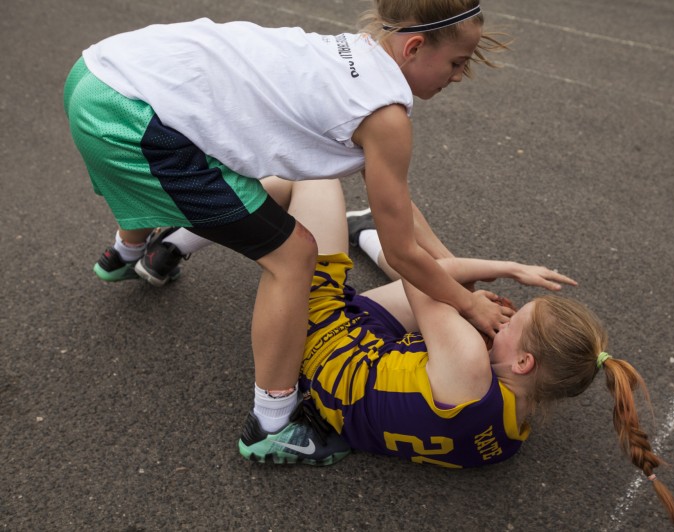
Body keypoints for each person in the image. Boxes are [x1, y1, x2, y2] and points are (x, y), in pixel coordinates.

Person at [63, 1, 513, 464]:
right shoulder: (386, 116)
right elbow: (400, 252)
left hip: (100, 74)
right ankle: (272, 425)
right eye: (457, 63)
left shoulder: (360, 54)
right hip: (127, 117)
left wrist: (448, 265)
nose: (459, 76)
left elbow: (396, 206)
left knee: (209, 168)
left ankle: (125, 254)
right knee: (294, 256)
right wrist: (467, 304)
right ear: (414, 47)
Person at [243, 176, 674, 522]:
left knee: (314, 177)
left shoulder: (469, 361)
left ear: (523, 362)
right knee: (452, 297)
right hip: (362, 381)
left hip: (321, 346)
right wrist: (469, 312)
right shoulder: (511, 434)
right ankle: (365, 233)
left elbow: (418, 269)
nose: (504, 318)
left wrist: (505, 269)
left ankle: (203, 219)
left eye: (513, 322)